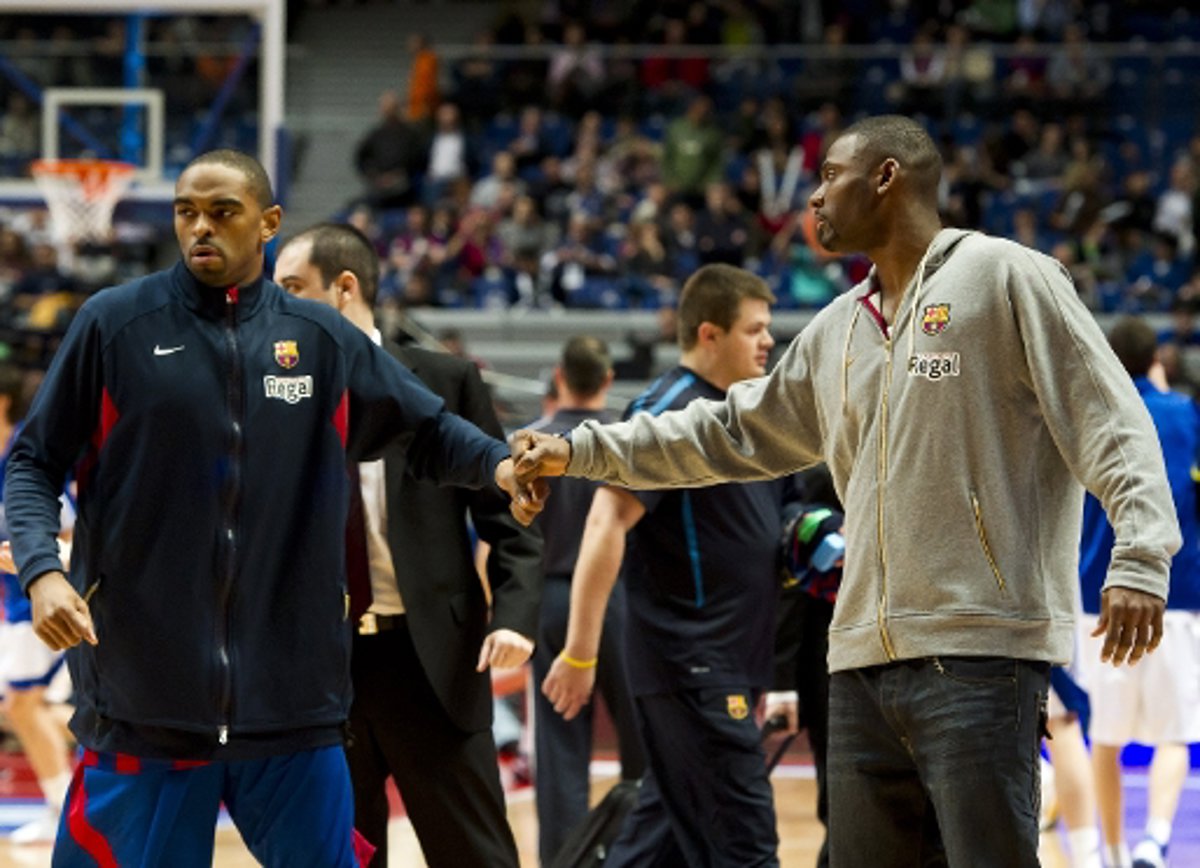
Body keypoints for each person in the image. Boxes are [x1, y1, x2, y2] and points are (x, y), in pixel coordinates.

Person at [513, 115, 1180, 867]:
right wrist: (579, 450)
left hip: (981, 653)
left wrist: (1139, 556)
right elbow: (725, 430)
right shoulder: (838, 329)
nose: (815, 196)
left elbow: (1111, 420)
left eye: (831, 175)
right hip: (858, 666)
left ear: (887, 177)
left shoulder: (1005, 277)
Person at [3, 148, 541, 867]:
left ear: (268, 223)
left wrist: (500, 466)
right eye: (187, 212)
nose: (201, 227)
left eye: (222, 212)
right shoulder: (114, 325)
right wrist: (42, 571)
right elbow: (33, 462)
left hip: (294, 706)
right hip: (145, 699)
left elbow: (430, 430)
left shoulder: (320, 339)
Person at [272, 222, 541, 868]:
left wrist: (513, 617)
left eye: (292, 288)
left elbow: (509, 520)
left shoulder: (446, 379)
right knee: (338, 858)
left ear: (344, 288)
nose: (275, 305)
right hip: (322, 668)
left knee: (475, 856)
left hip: (432, 661)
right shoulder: (273, 389)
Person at [540, 265, 785, 867]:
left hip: (727, 663)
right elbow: (605, 520)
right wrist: (579, 654)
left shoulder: (743, 409)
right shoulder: (668, 411)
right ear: (709, 334)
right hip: (695, 665)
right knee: (748, 848)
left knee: (657, 846)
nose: (768, 341)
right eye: (753, 329)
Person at [1076, 317, 1200, 868]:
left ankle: (1115, 852)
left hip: (1098, 594)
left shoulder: (1092, 409)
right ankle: (1155, 838)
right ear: (1156, 359)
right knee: (1176, 732)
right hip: (1176, 590)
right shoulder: (1183, 413)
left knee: (1105, 734)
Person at [524, 335, 645, 866]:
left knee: (558, 753)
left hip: (549, 599)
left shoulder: (531, 445)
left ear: (559, 376)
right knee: (642, 744)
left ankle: (564, 862)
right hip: (617, 600)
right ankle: (638, 853)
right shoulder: (625, 440)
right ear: (608, 379)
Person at [0, 364, 73, 846]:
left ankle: (61, 808)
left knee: (24, 706)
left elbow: (71, 531)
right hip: (15, 601)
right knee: (33, 708)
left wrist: (47, 563)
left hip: (43, 596)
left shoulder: (26, 451)